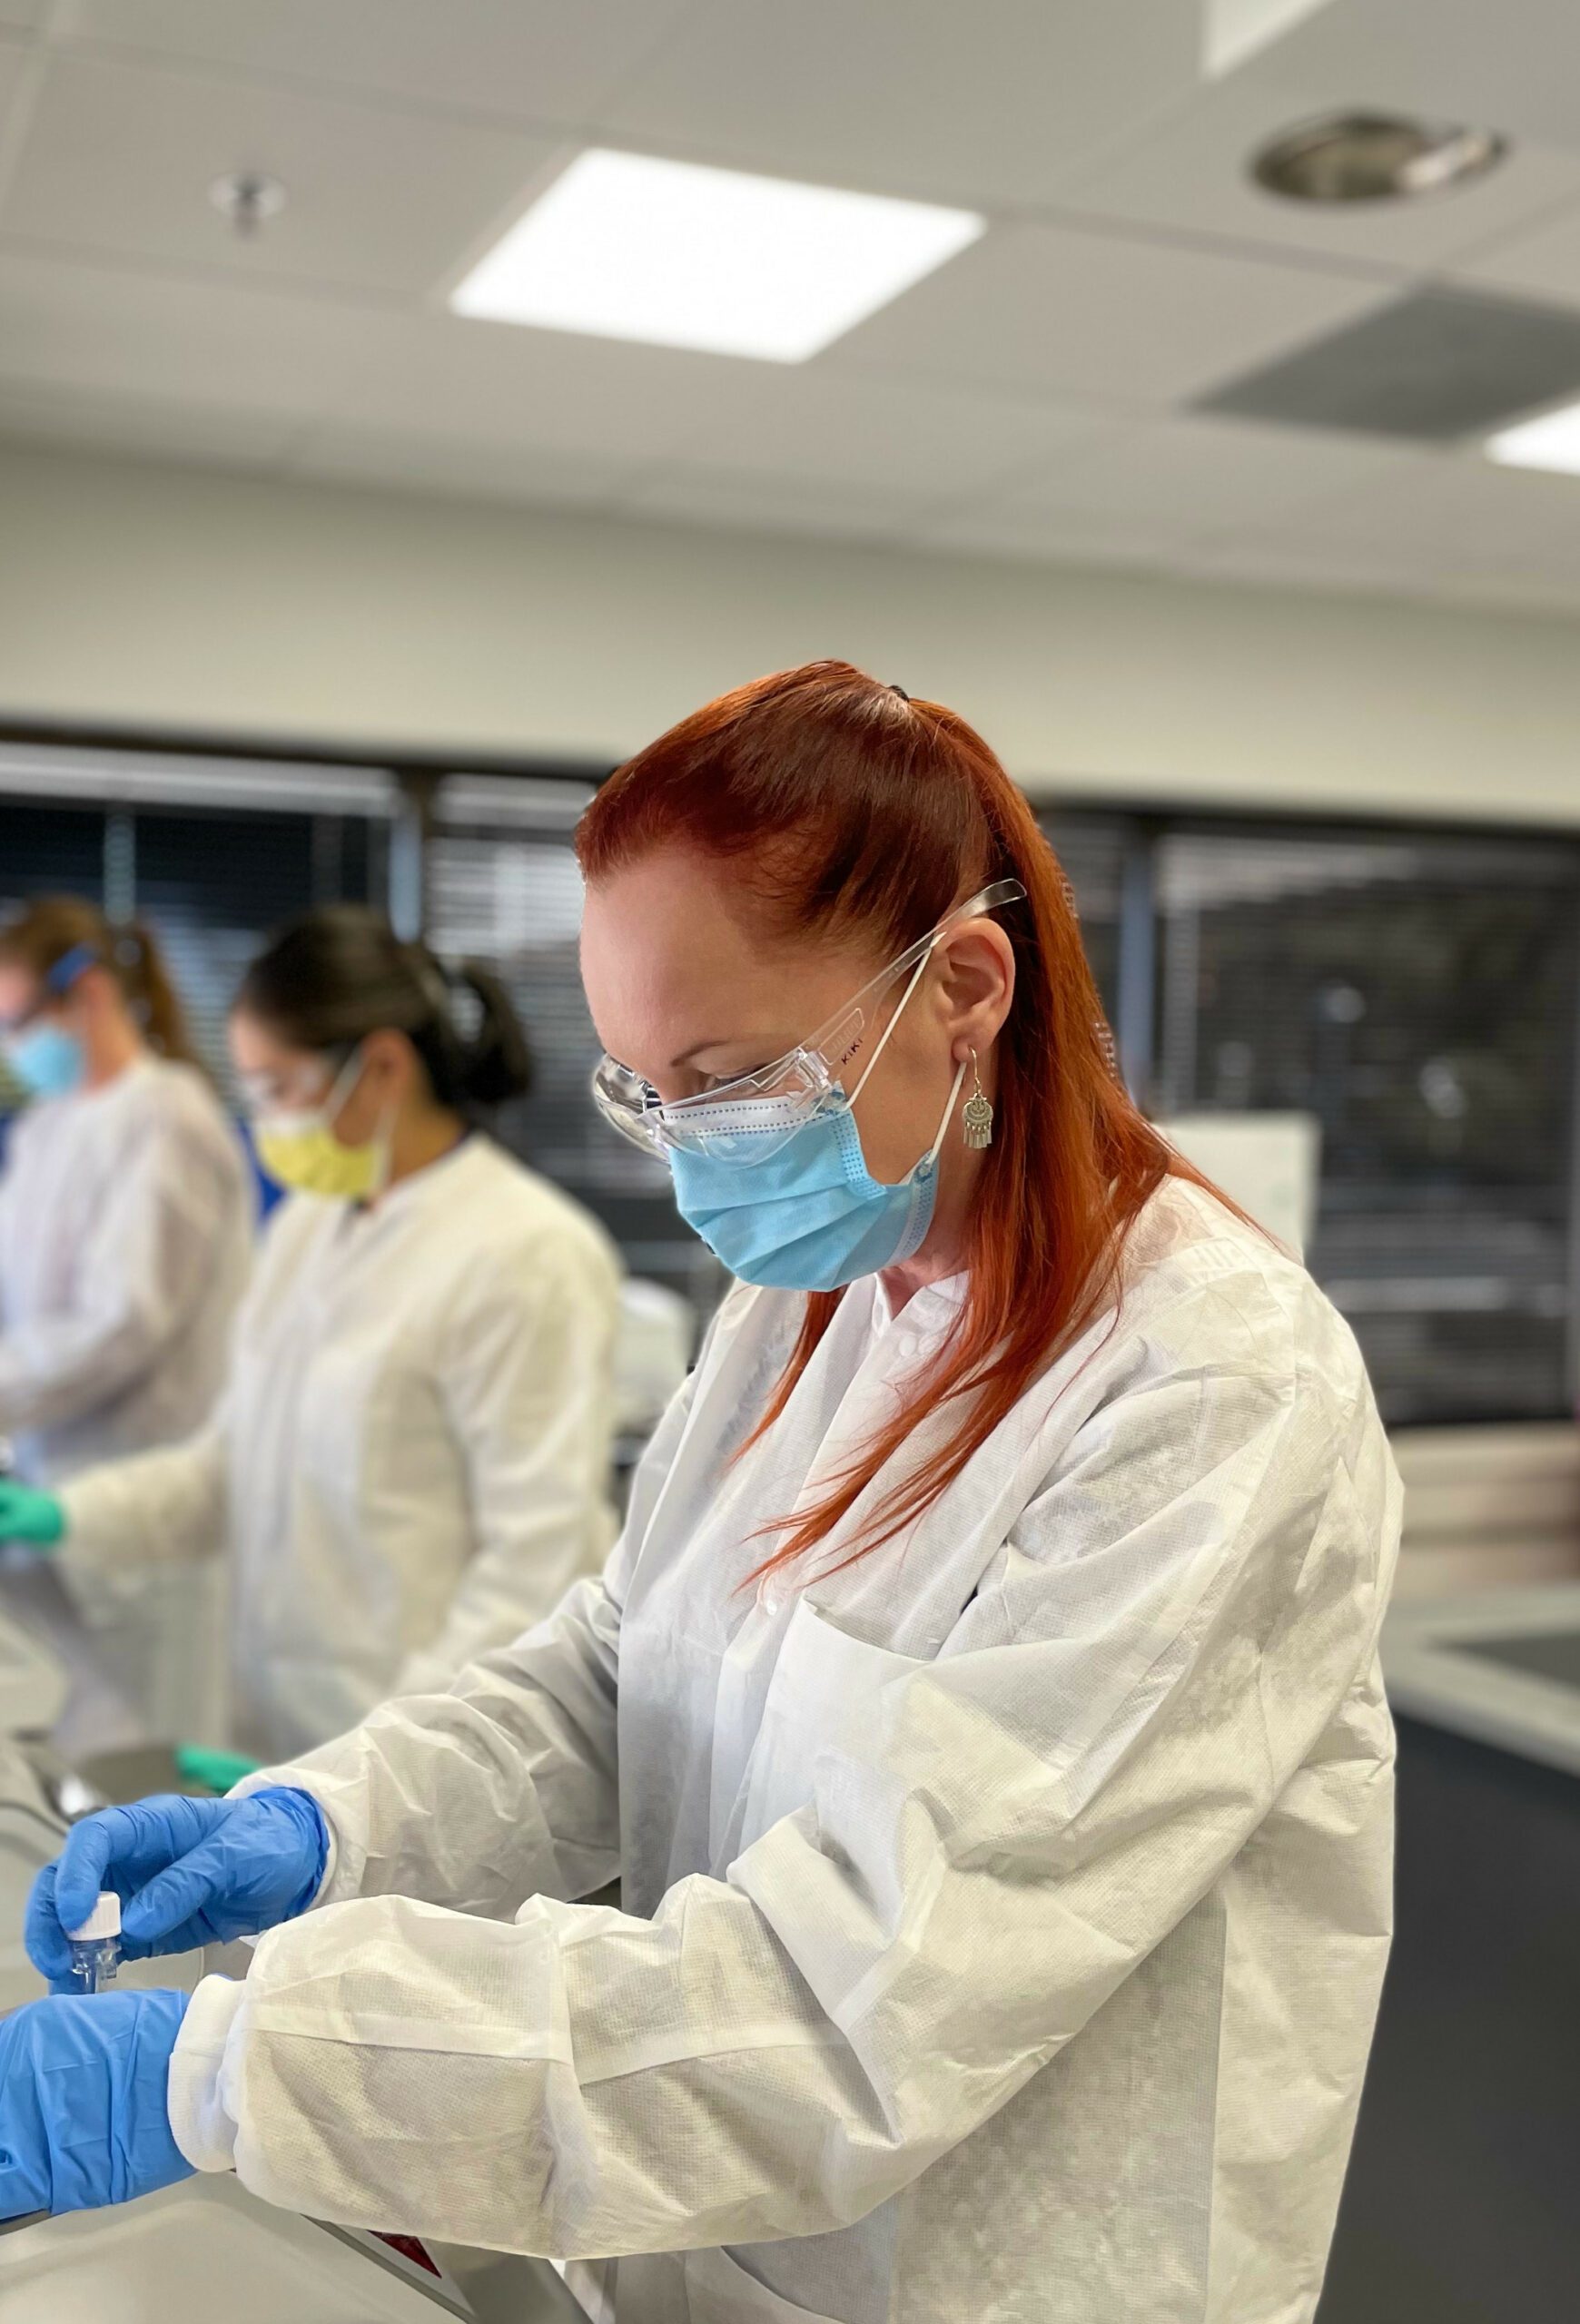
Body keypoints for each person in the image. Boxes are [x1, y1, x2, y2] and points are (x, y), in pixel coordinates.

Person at [6, 666, 1400, 2324]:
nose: (689, 1161)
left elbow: (851, 2008)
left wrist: (238, 2064)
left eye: (730, 1082)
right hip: (707, 2251)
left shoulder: (1209, 1386)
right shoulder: (810, 1307)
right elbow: (625, 1674)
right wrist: (332, 1823)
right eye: (646, 1094)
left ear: (962, 989)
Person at [0, 906, 622, 1762]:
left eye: (278, 1089)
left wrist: (359, 1773)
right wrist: (61, 1515)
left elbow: (533, 1573)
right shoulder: (309, 1226)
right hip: (276, 1731)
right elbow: (231, 1465)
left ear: (383, 1068)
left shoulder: (529, 1252)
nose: (262, 1122)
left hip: (419, 1767)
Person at [0, 898, 252, 1748]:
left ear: (90, 994)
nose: (12, 1048)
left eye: (19, 1022)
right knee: (64, 1756)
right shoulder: (44, 1129)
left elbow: (124, 1320)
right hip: (48, 1493)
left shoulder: (167, 1116)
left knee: (147, 1765)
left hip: (148, 1507)